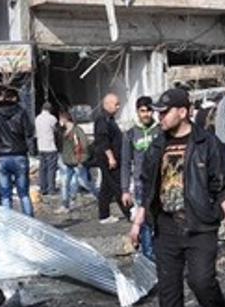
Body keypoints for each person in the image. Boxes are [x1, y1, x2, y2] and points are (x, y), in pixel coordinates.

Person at [130, 88, 225, 307]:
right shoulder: (158, 144)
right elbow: (147, 186)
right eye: (157, 112)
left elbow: (223, 186)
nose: (159, 117)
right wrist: (138, 221)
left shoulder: (208, 143)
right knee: (169, 288)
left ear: (182, 112)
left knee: (200, 280)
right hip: (166, 226)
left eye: (164, 112)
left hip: (200, 225)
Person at [0, 87, 35, 216]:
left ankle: (8, 225)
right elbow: (29, 132)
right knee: (24, 194)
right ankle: (30, 223)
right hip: (19, 155)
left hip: (1, 156)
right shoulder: (21, 112)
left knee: (5, 195)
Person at [121, 97, 160, 260]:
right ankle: (148, 256)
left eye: (149, 110)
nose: (146, 114)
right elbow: (125, 162)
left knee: (160, 220)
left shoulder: (159, 131)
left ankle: (161, 254)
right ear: (137, 112)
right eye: (143, 111)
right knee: (143, 220)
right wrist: (124, 190)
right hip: (139, 184)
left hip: (159, 182)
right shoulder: (130, 134)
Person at [92, 93, 131, 223]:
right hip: (108, 159)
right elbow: (102, 140)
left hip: (113, 157)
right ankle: (129, 212)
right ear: (107, 104)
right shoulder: (102, 119)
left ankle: (104, 215)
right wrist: (111, 157)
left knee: (106, 187)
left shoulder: (110, 119)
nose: (119, 107)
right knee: (117, 185)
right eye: (116, 104)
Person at [58, 109, 97, 213]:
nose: (59, 121)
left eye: (60, 119)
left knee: (84, 182)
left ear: (64, 119)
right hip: (67, 162)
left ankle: (99, 196)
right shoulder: (63, 131)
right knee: (65, 184)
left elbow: (84, 145)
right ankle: (65, 205)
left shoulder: (76, 130)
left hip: (77, 161)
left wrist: (82, 159)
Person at [35, 102, 60, 196]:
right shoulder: (52, 118)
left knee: (42, 169)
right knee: (51, 169)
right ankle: (51, 189)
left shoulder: (37, 118)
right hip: (50, 146)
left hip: (40, 146)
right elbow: (56, 130)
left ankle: (43, 188)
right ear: (50, 109)